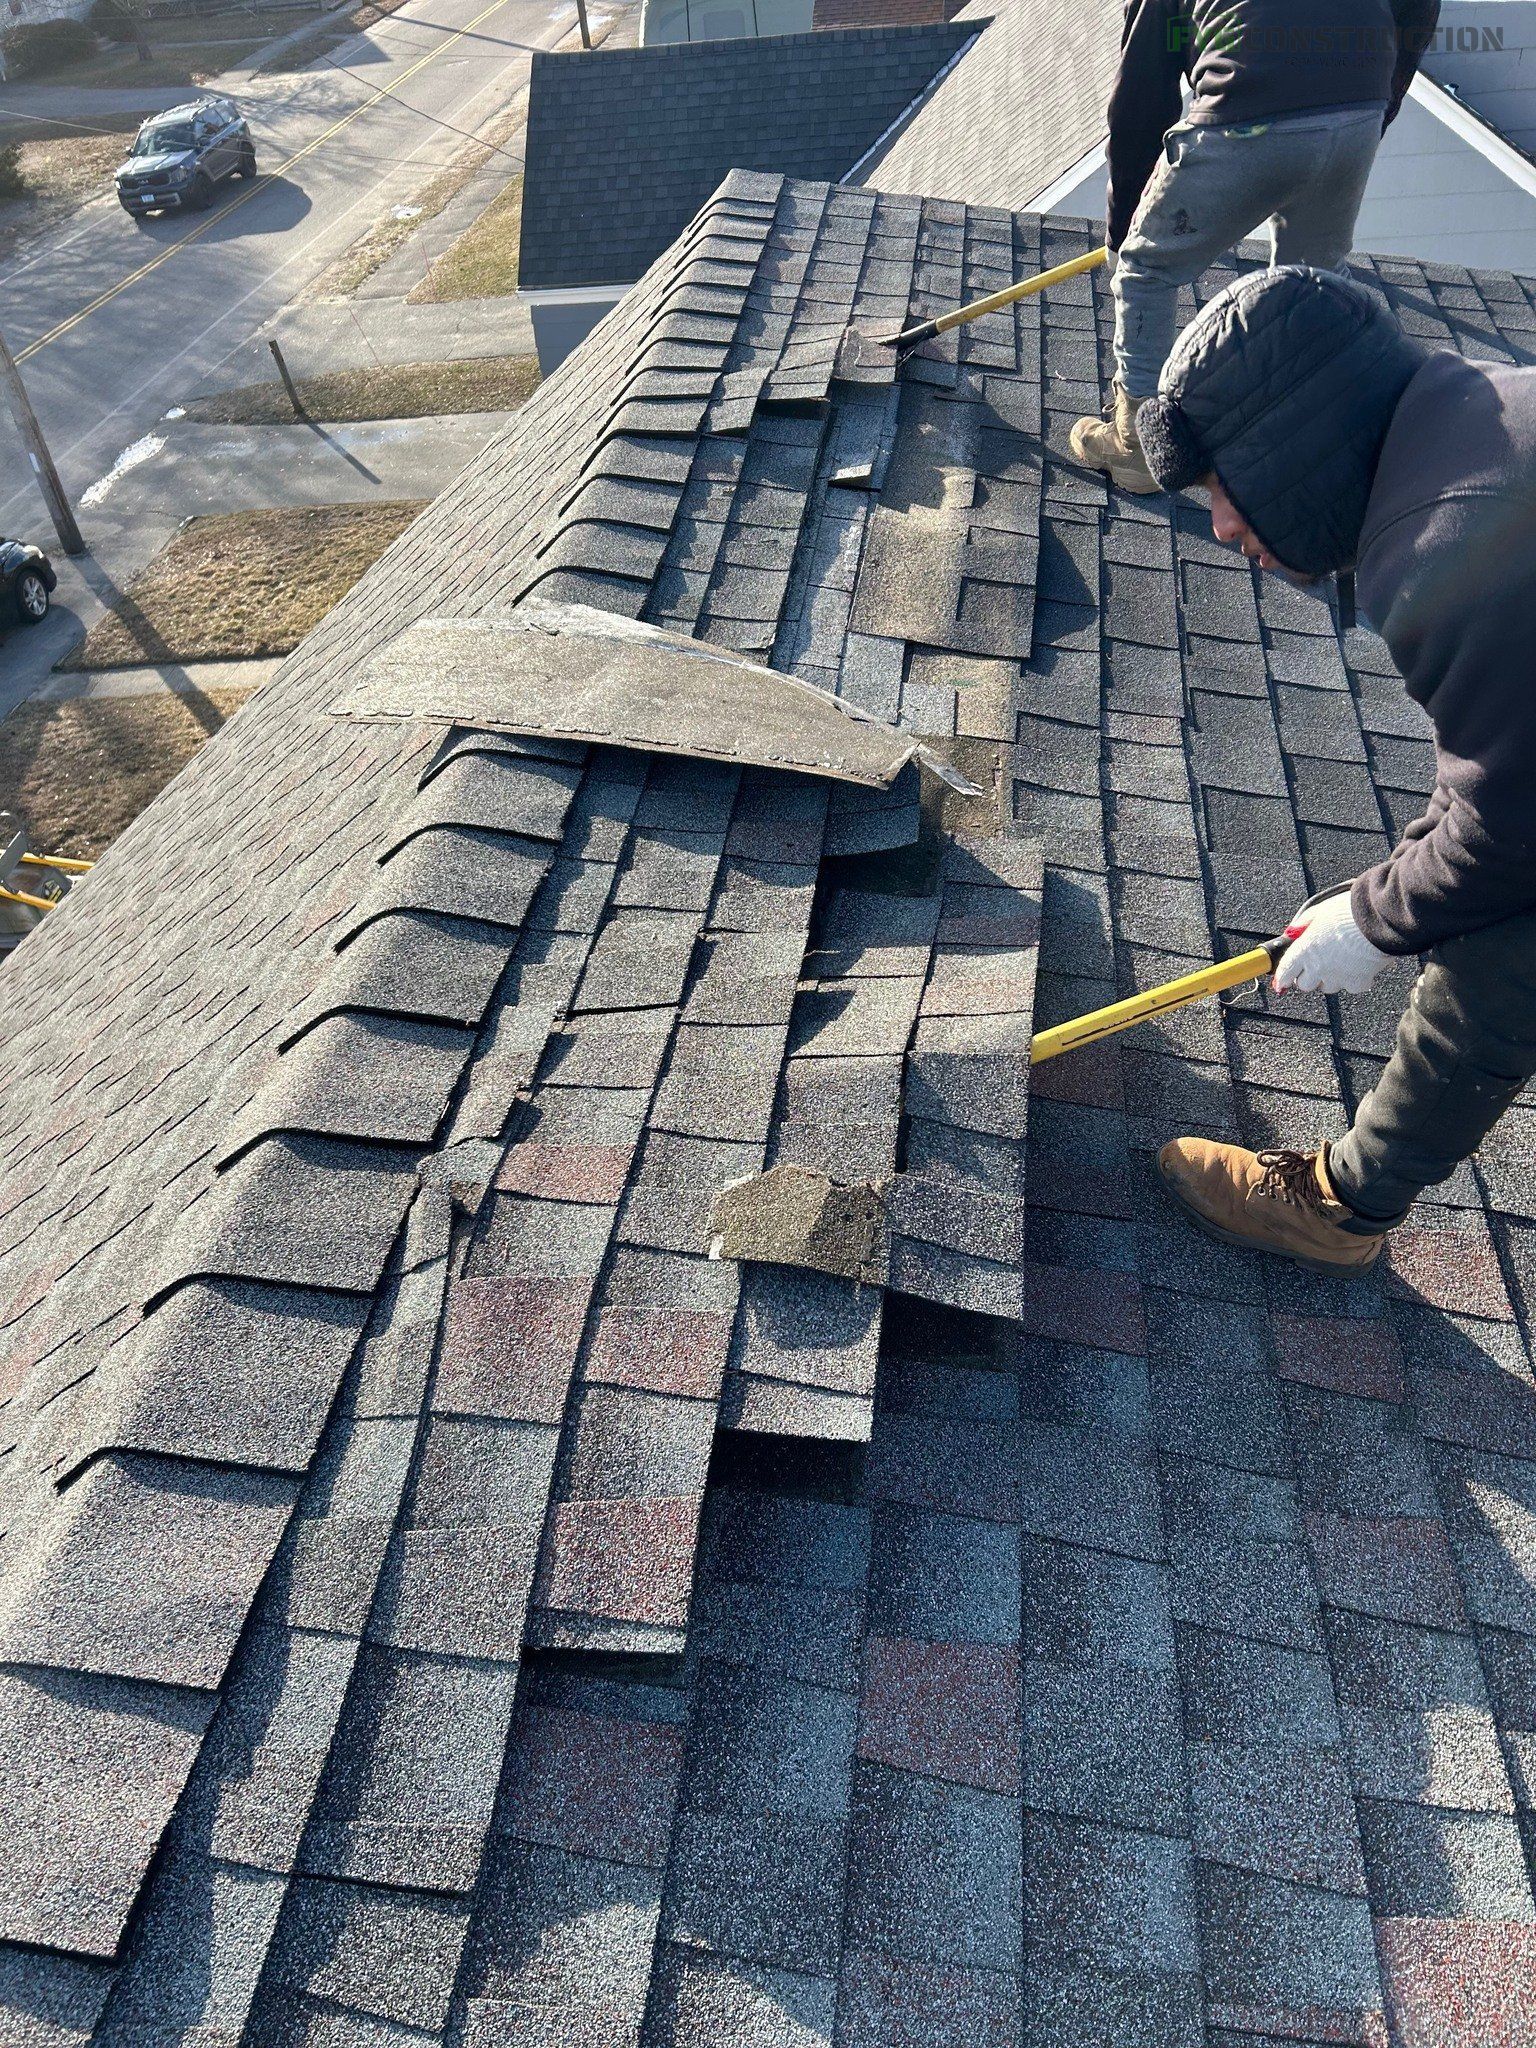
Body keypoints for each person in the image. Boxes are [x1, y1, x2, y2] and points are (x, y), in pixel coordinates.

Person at [1131, 264, 1536, 1273]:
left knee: (1501, 939)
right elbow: (1504, 753)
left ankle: (1339, 1207)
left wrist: (1379, 919)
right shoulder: (1475, 421)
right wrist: (1385, 885)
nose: (1222, 527)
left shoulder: (1439, 549)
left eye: (1226, 488)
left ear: (1289, 443)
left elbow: (1514, 831)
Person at [1071, 0, 1440, 494]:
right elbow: (1418, 9)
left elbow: (1138, 108)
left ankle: (1137, 448)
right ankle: (1307, 436)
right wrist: (1361, 121)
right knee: (1313, 282)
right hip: (1360, 105)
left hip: (1252, 109)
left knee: (1146, 271)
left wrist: (1123, 237)